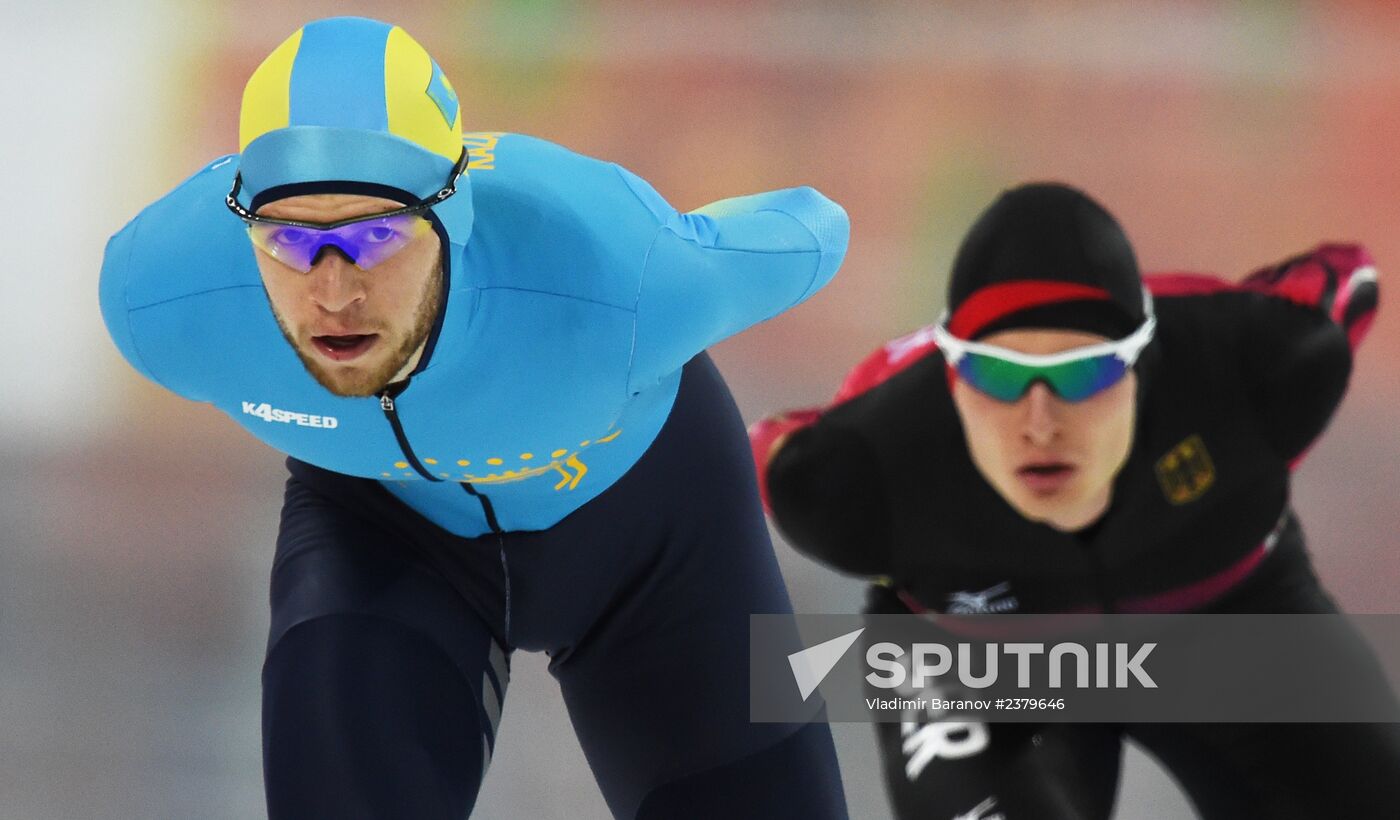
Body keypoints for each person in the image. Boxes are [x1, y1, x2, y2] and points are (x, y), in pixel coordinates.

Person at [99, 16, 851, 819]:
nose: (333, 292)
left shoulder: (620, 276)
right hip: (384, 534)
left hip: (652, 543)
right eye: (289, 240)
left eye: (377, 234)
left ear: (452, 211)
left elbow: (812, 230)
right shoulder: (163, 300)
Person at [749, 182, 1400, 819]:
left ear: (1143, 370)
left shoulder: (1261, 363)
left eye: (1084, 372)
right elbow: (750, 445)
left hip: (1232, 623)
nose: (1039, 422)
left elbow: (1348, 275)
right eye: (997, 374)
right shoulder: (850, 478)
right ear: (952, 378)